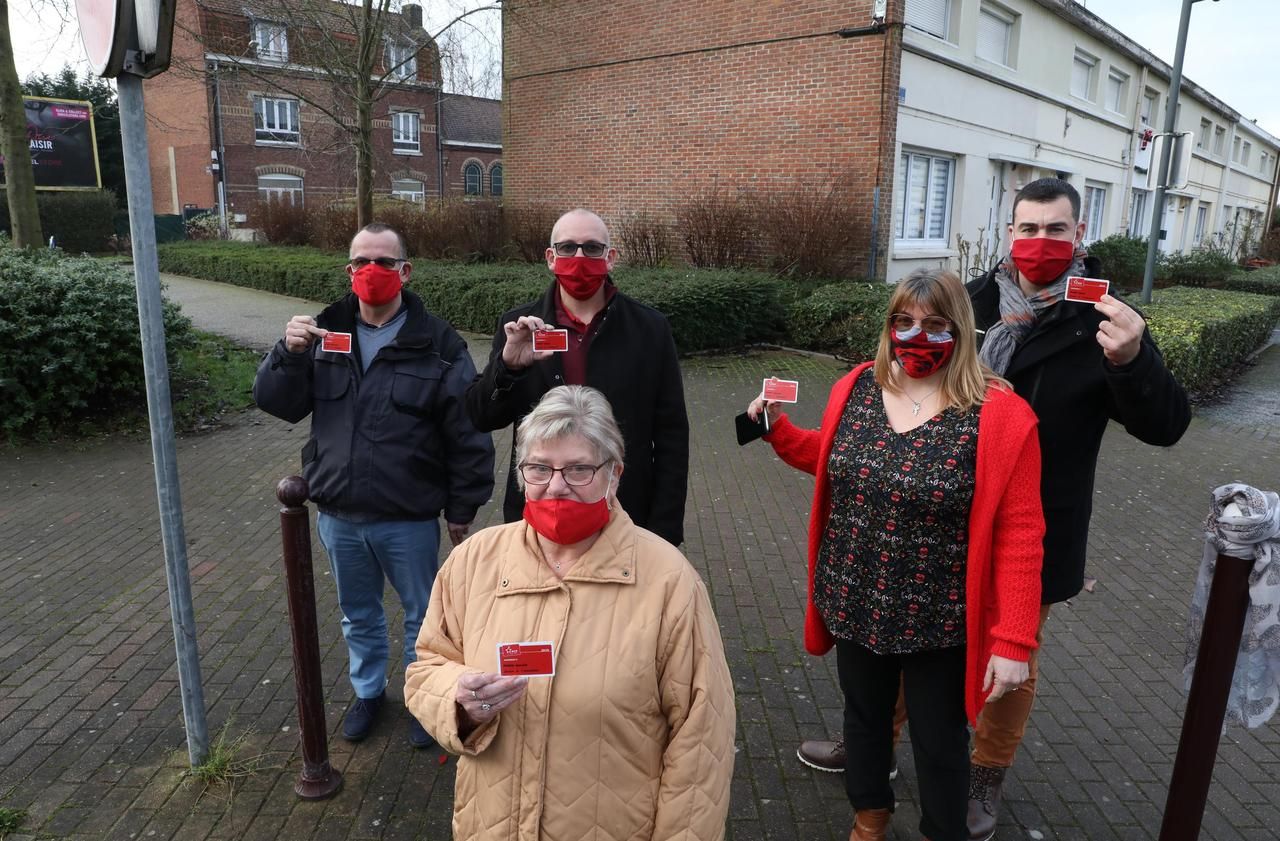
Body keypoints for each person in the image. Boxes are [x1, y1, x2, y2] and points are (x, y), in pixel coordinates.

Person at [795, 178, 1192, 841]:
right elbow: (907, 375)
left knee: (1011, 664)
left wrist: (1131, 360)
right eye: (1027, 229)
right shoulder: (970, 301)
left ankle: (987, 769)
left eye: (1055, 230)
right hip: (935, 520)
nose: (1040, 242)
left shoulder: (1105, 319)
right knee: (905, 647)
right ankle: (874, 744)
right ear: (1009, 232)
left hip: (1038, 521)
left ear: (1079, 233)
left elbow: (1167, 424)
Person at [748, 267, 1045, 841]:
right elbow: (839, 459)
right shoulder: (857, 385)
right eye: (903, 321)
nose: (917, 335)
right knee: (863, 720)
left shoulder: (1001, 416)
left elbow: (1021, 533)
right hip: (854, 593)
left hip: (938, 616)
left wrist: (1013, 640)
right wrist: (778, 432)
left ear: (960, 329)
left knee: (939, 741)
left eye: (934, 324)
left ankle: (941, 830)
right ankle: (870, 816)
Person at [405, 385, 735, 839]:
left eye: (579, 469)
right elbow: (426, 668)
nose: (556, 485)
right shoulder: (474, 561)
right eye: (539, 468)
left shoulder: (668, 581)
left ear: (614, 473)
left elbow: (702, 743)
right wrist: (458, 702)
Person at [253, 222, 495, 749]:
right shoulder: (321, 334)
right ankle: (367, 693)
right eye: (362, 261)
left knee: (422, 617)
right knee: (356, 613)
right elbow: (277, 402)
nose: (372, 271)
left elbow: (467, 427)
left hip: (408, 515)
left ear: (404, 272)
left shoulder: (437, 342)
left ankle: (421, 697)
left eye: (385, 262)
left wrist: (463, 504)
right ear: (348, 271)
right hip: (339, 513)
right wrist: (287, 353)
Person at [465, 208, 690, 545]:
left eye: (592, 248)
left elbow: (672, 435)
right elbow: (481, 417)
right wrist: (508, 367)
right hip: (542, 506)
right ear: (550, 258)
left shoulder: (650, 329)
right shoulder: (519, 326)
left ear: (610, 257)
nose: (580, 256)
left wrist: (665, 529)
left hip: (625, 511)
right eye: (568, 248)